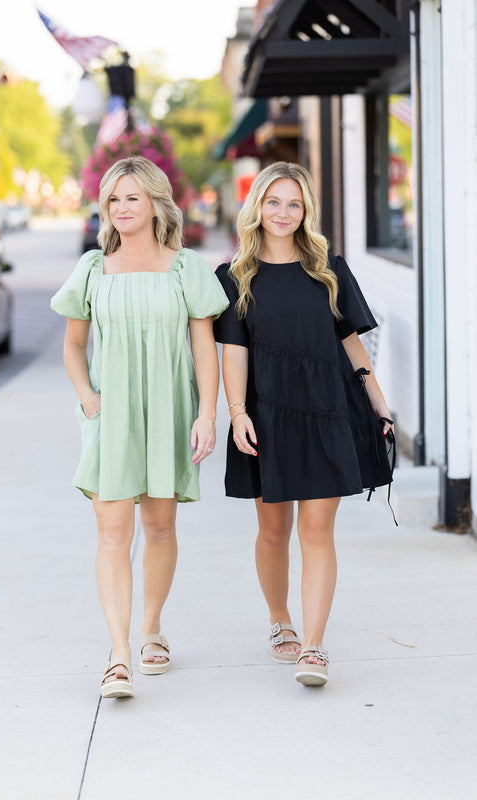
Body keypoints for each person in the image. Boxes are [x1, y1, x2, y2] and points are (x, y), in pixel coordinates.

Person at [51, 156, 229, 698]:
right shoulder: (91, 268)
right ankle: (119, 653)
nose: (121, 208)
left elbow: (204, 345)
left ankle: (152, 629)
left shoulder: (185, 267)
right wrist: (87, 399)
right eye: (113, 199)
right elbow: (74, 345)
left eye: (132, 197)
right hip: (111, 414)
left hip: (169, 411)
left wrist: (206, 413)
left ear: (155, 203)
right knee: (112, 534)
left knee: (159, 530)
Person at [213, 162, 394, 687]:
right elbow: (234, 352)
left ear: (306, 210)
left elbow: (350, 341)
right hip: (267, 412)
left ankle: (313, 647)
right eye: (274, 202)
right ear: (257, 207)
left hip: (328, 410)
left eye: (294, 204)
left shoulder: (328, 268)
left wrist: (378, 402)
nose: (283, 213)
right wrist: (237, 413)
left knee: (318, 529)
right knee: (274, 529)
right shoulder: (235, 276)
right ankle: (279, 620)